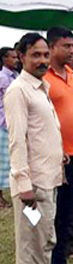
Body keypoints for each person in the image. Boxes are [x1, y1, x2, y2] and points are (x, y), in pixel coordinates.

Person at [5, 32, 67, 264]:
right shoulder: (18, 91)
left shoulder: (39, 87)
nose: (42, 60)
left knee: (46, 239)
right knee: (30, 246)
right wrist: (23, 184)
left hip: (48, 179)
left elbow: (41, 133)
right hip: (32, 187)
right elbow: (17, 140)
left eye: (45, 55)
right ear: (21, 56)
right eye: (36, 55)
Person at [45, 27, 73, 264]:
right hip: (55, 159)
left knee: (67, 213)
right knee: (52, 215)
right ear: (52, 48)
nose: (72, 51)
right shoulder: (44, 78)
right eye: (67, 46)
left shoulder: (72, 75)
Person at [0, 47, 19, 208]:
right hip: (4, 124)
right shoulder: (3, 78)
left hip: (13, 124)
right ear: (4, 59)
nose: (16, 59)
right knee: (2, 162)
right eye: (12, 57)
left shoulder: (16, 76)